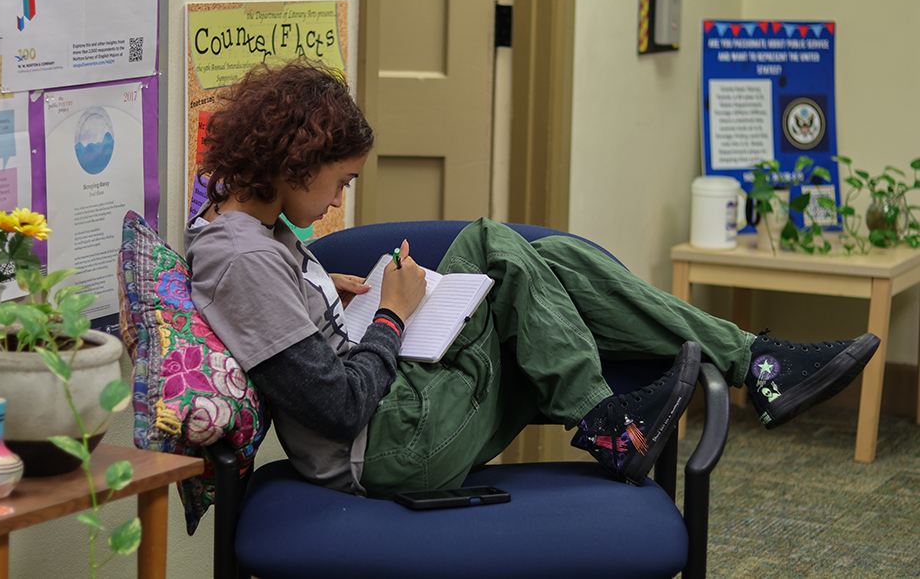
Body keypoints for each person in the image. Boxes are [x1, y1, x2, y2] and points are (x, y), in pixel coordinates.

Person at [184, 58, 879, 497]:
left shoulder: (254, 236)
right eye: (340, 182)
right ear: (295, 159)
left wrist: (320, 291)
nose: (339, 201)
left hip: (399, 418)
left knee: (552, 262)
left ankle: (750, 363)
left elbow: (290, 336)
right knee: (499, 248)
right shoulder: (243, 259)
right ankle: (625, 418)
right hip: (390, 448)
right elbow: (336, 405)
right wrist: (393, 315)